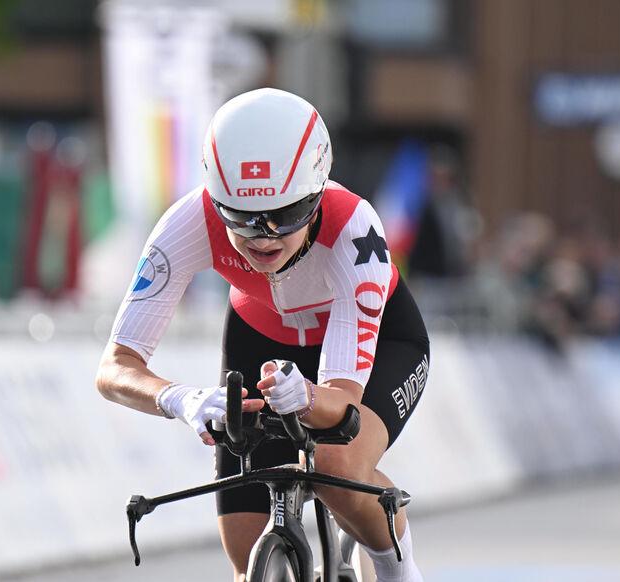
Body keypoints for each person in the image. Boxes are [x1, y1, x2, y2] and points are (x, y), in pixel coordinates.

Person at [96, 88, 429, 582]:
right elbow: (115, 367)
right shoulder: (190, 220)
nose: (264, 237)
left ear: (316, 198)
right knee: (242, 550)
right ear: (216, 200)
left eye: (285, 216)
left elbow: (343, 406)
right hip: (260, 339)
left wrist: (311, 396)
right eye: (242, 220)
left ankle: (394, 566)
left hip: (382, 344)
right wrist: (181, 400)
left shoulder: (354, 232)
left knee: (336, 469)